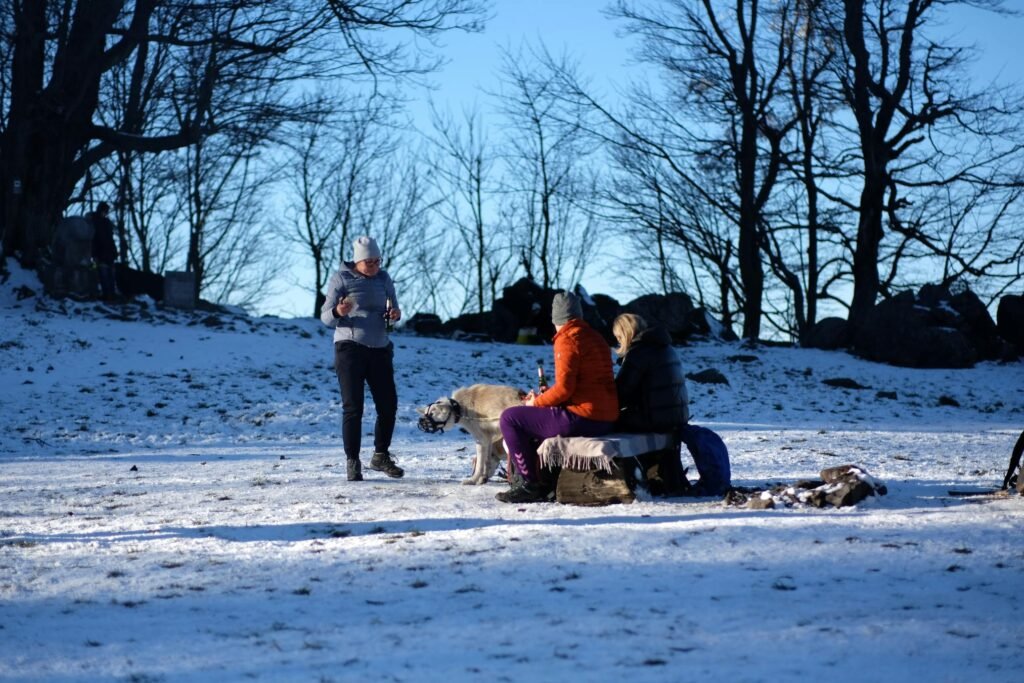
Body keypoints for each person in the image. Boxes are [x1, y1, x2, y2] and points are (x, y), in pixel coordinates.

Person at [496, 290, 619, 503]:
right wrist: (547, 397)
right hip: (606, 417)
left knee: (510, 418)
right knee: (535, 418)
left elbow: (564, 390)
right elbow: (582, 385)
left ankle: (529, 484)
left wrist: (535, 403)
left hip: (583, 417)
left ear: (556, 318)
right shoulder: (595, 337)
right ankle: (545, 478)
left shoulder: (568, 338)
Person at [320, 236, 404, 482]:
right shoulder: (341, 279)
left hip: (380, 348)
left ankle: (380, 455)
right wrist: (338, 311)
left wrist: (395, 314)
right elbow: (325, 318)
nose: (375, 266)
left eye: (378, 261)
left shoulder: (384, 279)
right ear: (358, 261)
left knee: (388, 406)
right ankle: (352, 461)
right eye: (370, 262)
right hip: (350, 349)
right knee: (353, 407)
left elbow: (394, 311)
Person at [612, 313, 690, 493]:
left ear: (626, 333)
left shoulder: (638, 353)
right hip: (675, 417)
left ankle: (621, 475)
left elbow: (621, 392)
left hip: (655, 419)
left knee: (606, 422)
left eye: (618, 337)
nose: (618, 342)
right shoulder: (666, 347)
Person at [89, 201, 118, 301]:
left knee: (111, 275)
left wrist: (114, 251)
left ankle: (112, 294)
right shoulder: (93, 221)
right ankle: (106, 295)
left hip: (109, 252)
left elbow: (110, 238)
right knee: (103, 274)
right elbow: (93, 240)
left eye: (106, 211)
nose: (105, 213)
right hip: (100, 252)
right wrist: (94, 254)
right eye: (104, 211)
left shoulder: (106, 222)